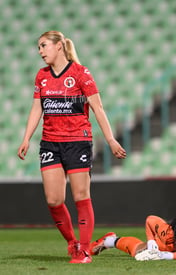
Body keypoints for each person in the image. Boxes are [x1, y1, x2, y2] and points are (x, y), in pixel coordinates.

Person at [17, 31, 127, 263]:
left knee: (80, 196)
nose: (40, 51)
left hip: (77, 142)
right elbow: (37, 107)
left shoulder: (81, 73)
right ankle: (72, 242)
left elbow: (98, 107)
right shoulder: (42, 76)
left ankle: (85, 250)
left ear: (59, 46)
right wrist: (26, 137)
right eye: (38, 47)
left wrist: (110, 140)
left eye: (43, 46)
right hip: (50, 142)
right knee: (53, 200)